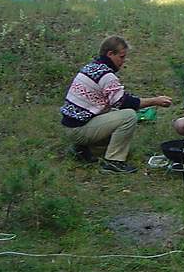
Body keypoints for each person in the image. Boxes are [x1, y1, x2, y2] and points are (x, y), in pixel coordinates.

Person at [60, 35, 172, 174]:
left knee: (114, 113)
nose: (123, 61)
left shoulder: (92, 67)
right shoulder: (106, 75)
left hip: (72, 126)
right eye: (121, 57)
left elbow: (117, 99)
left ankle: (82, 149)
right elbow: (124, 102)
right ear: (110, 54)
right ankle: (114, 161)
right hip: (79, 129)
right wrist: (155, 101)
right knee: (129, 116)